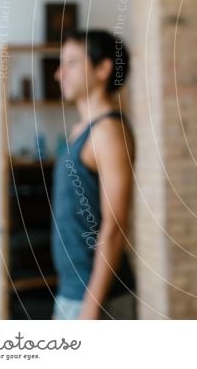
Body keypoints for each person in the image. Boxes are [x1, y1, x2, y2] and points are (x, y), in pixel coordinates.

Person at [50, 29, 137, 320]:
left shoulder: (108, 132)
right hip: (72, 291)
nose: (60, 74)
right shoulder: (80, 130)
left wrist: (90, 309)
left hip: (98, 299)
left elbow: (115, 227)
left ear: (102, 69)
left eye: (72, 63)